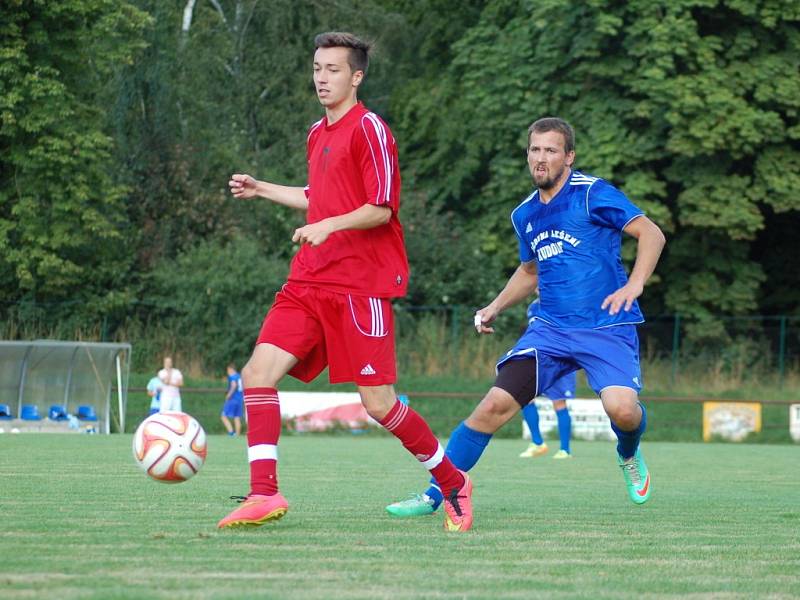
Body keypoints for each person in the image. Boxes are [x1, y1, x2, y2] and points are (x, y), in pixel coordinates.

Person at [217, 32, 472, 532]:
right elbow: (320, 195)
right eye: (316, 67)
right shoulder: (317, 132)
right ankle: (264, 493)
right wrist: (262, 188)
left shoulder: (371, 129)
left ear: (356, 77)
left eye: (333, 69)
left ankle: (452, 481)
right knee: (257, 374)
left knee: (378, 403)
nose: (321, 77)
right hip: (308, 281)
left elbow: (380, 207)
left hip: (360, 287)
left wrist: (327, 225)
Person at [386, 116, 665, 518]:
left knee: (623, 410)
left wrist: (635, 284)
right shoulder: (525, 215)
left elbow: (651, 233)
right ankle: (437, 493)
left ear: (569, 156)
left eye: (551, 150)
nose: (541, 158)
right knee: (491, 407)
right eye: (535, 150)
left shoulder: (592, 194)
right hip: (549, 331)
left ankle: (628, 451)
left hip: (606, 325)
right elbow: (530, 271)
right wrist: (494, 306)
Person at [518, 299, 574, 459]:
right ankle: (537, 443)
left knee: (559, 402)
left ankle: (565, 450)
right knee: (526, 398)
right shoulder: (533, 307)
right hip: (538, 359)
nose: (538, 287)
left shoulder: (563, 303)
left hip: (561, 360)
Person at [221, 363, 244, 436]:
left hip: (233, 399)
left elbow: (234, 385)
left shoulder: (232, 376)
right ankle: (237, 435)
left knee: (223, 416)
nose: (227, 372)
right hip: (240, 399)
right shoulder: (239, 376)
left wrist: (228, 395)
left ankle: (231, 433)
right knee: (237, 417)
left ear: (231, 369)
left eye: (228, 370)